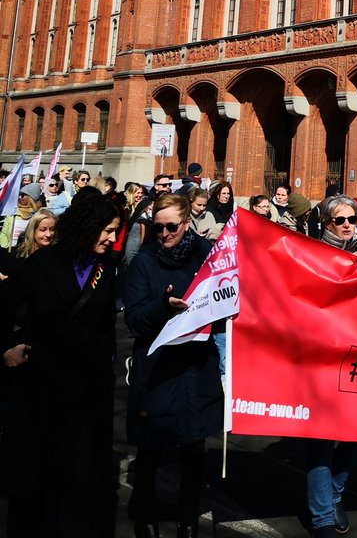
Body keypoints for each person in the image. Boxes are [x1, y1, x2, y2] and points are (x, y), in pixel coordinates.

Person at [0, 187, 121, 538]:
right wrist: (6, 347)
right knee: (35, 487)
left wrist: (107, 363)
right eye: (107, 230)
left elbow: (107, 325)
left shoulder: (107, 267)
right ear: (87, 226)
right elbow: (2, 307)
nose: (113, 239)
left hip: (88, 397)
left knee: (80, 489)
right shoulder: (42, 263)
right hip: (41, 391)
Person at [123, 192, 224, 538]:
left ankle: (189, 521)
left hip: (196, 367)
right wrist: (164, 308)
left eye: (171, 227)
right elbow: (133, 320)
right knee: (150, 447)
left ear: (186, 224)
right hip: (157, 368)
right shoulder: (143, 262)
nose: (163, 234)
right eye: (157, 227)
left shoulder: (207, 256)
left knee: (194, 449)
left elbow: (226, 298)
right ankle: (145, 518)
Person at [305, 195, 357, 536]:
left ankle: (333, 494)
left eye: (352, 219)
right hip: (322, 361)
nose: (346, 225)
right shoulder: (312, 255)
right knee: (321, 443)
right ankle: (322, 517)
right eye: (339, 220)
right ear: (326, 223)